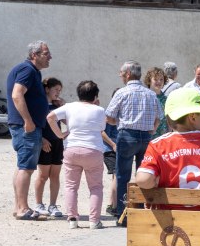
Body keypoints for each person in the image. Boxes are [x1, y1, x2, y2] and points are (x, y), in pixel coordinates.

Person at [134, 88, 200, 212]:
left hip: (171, 223)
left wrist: (156, 183)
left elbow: (144, 180)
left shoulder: (158, 145)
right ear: (192, 117)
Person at [47, 80, 115, 228]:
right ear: (95, 96)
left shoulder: (69, 106)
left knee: (71, 186)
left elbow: (50, 117)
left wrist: (60, 134)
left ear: (79, 94)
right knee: (96, 187)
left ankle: (72, 219)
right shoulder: (99, 110)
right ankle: (94, 220)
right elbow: (102, 127)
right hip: (93, 150)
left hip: (72, 148)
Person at [105, 60, 160, 226]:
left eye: (121, 73)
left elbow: (109, 116)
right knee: (145, 176)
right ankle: (143, 210)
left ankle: (124, 215)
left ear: (128, 74)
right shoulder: (151, 94)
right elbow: (159, 117)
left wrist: (119, 122)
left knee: (122, 176)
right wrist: (151, 130)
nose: (120, 75)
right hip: (146, 137)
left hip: (127, 135)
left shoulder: (122, 93)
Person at [7, 40, 52, 220]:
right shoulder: (27, 70)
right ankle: (23, 209)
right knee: (26, 168)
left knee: (22, 167)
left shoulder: (32, 71)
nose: (50, 57)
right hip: (26, 126)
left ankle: (19, 206)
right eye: (46, 53)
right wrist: (28, 121)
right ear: (35, 55)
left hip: (26, 126)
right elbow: (17, 94)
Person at [33, 76, 66, 218]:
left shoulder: (57, 106)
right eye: (56, 89)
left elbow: (67, 121)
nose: (58, 92)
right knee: (43, 175)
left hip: (58, 143)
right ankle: (39, 204)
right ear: (47, 89)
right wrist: (42, 139)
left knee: (55, 175)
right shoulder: (40, 105)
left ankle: (53, 205)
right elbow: (34, 124)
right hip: (44, 143)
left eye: (60, 90)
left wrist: (64, 106)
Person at [144, 66, 169, 138]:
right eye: (155, 79)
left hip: (163, 137)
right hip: (148, 137)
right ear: (149, 81)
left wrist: (169, 133)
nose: (159, 82)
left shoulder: (166, 99)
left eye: (161, 79)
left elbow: (168, 119)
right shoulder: (145, 97)